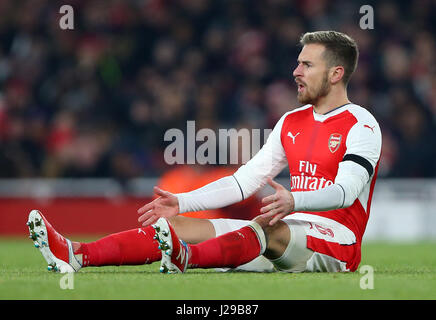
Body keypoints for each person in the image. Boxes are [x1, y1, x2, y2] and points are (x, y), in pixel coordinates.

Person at [138, 30, 382, 273]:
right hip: (290, 232)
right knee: (175, 226)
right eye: (298, 64)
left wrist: (295, 200)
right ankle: (97, 259)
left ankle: (188, 258)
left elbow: (347, 192)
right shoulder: (290, 121)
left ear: (335, 73)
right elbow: (243, 182)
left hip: (337, 241)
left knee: (265, 229)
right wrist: (182, 202)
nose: (296, 72)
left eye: (307, 65)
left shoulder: (362, 124)